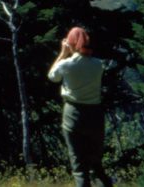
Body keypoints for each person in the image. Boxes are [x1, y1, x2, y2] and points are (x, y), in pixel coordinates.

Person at [48, 26, 112, 187]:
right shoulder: (99, 64)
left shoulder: (66, 64)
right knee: (96, 163)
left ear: (70, 44)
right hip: (95, 115)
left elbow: (52, 76)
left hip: (73, 114)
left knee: (79, 166)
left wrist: (63, 53)